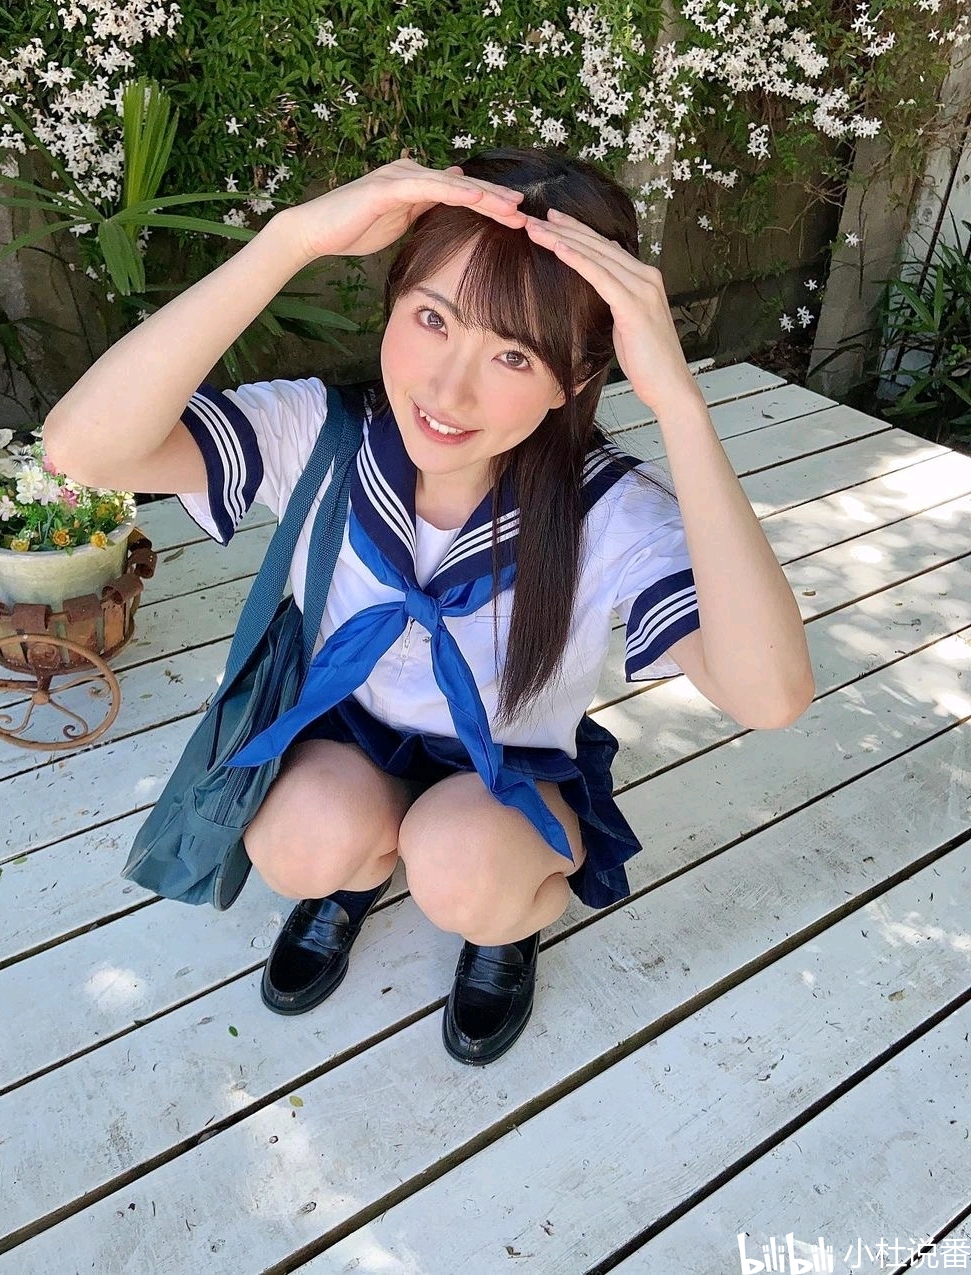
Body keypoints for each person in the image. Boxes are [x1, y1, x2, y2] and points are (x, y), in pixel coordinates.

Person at [43, 148, 814, 1065]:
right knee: (296, 841)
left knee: (462, 865)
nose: (449, 390)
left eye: (513, 354)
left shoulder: (601, 510)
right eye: (432, 318)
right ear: (393, 301)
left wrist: (679, 401)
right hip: (351, 739)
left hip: (504, 768)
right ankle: (354, 873)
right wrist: (288, 240)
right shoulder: (320, 438)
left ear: (574, 378)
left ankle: (505, 923)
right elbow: (82, 450)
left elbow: (769, 695)